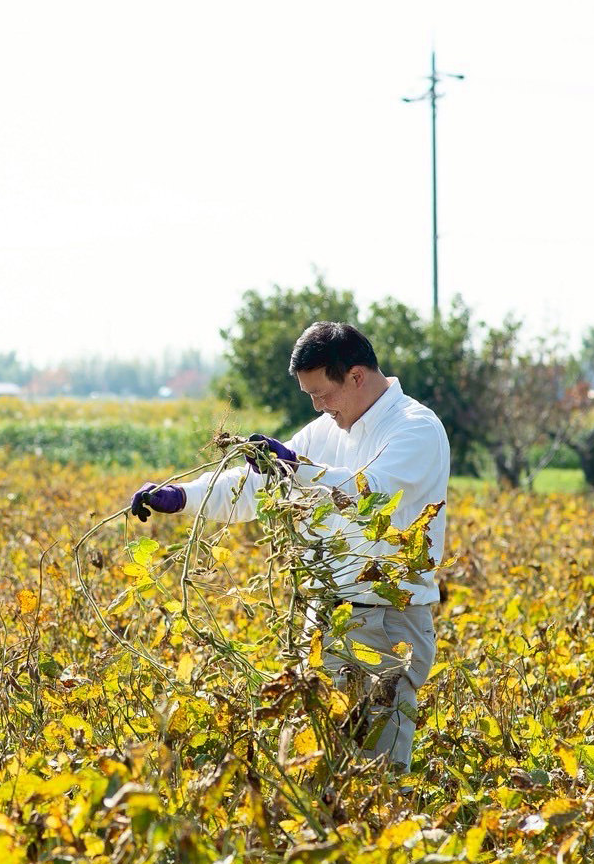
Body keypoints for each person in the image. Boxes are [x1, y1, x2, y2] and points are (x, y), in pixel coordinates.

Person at [129, 322, 449, 770]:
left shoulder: (416, 428)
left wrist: (296, 468)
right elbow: (257, 486)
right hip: (325, 616)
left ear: (356, 376)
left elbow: (369, 493)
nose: (318, 406)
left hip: (386, 618)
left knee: (377, 778)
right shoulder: (327, 431)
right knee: (319, 772)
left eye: (322, 394)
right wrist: (183, 496)